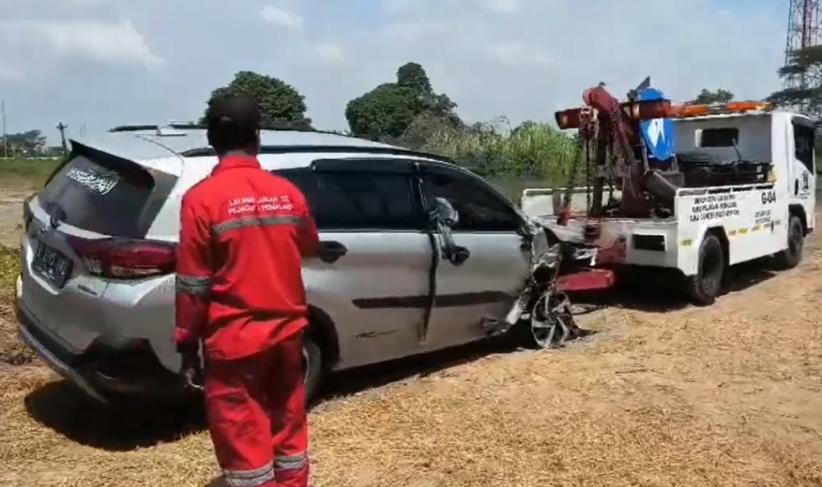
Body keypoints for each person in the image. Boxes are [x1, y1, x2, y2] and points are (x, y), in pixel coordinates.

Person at [175, 97, 319, 487]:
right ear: (257, 138)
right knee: (288, 430)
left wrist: (187, 342)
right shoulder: (288, 193)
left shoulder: (200, 200)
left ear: (211, 139)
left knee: (244, 443)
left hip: (234, 342)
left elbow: (193, 282)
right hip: (287, 337)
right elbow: (309, 244)